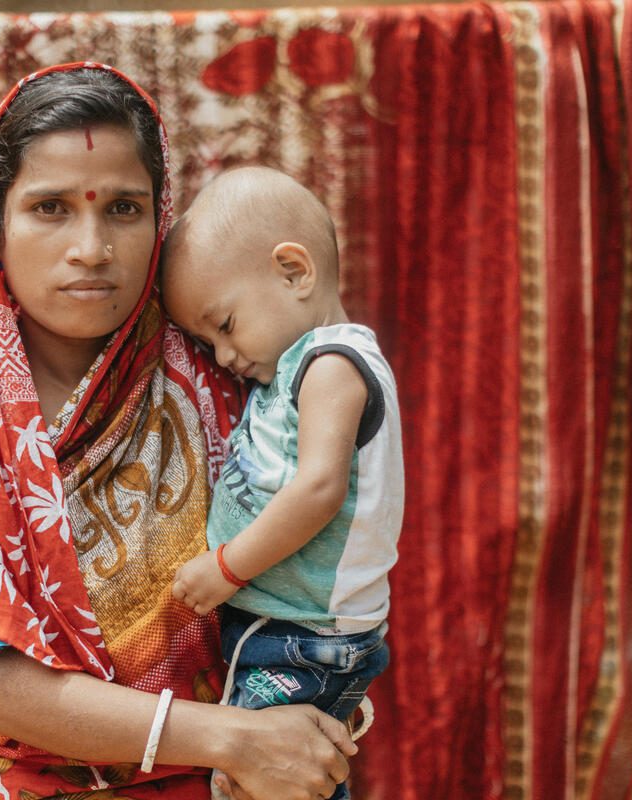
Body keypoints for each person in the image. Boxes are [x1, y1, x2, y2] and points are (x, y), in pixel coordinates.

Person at [0, 64, 357, 800]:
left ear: (160, 217)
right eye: (50, 208)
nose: (91, 248)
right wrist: (230, 736)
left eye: (124, 210)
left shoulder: (224, 372)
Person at [164, 167, 404, 800]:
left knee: (269, 780)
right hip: (284, 626)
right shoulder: (290, 370)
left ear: (295, 272)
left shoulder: (333, 363)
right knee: (277, 776)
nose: (221, 357)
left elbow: (319, 490)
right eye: (203, 340)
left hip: (308, 635)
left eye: (225, 324)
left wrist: (229, 567)